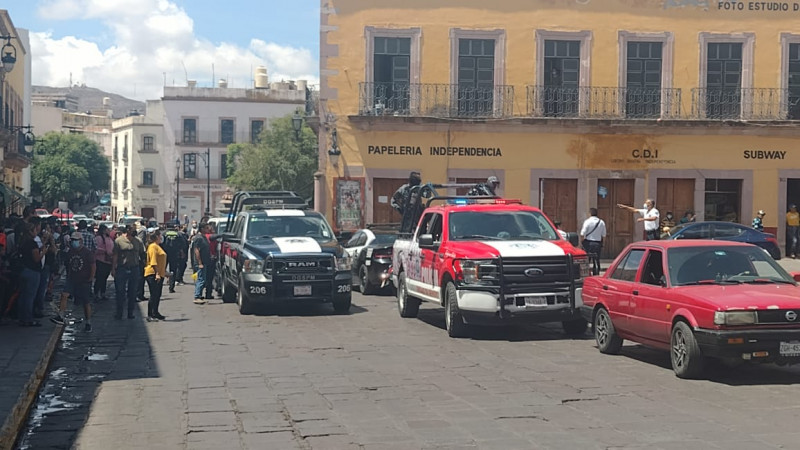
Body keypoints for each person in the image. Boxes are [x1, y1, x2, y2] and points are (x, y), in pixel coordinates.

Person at [51, 232, 95, 332]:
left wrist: (91, 278)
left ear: (81, 241)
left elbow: (93, 266)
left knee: (85, 302)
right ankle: (61, 315)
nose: (74, 242)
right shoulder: (71, 251)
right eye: (73, 240)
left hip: (84, 280)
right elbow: (68, 264)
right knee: (64, 295)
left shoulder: (87, 252)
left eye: (76, 240)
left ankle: (88, 322)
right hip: (72, 279)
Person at [112, 225, 146, 320]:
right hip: (122, 268)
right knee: (120, 292)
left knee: (133, 292)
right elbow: (115, 255)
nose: (134, 231)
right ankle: (119, 313)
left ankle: (130, 313)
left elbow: (142, 254)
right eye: (132, 230)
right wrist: (113, 268)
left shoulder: (138, 241)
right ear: (127, 230)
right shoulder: (119, 241)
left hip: (134, 268)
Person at [18, 222, 45, 326]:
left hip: (23, 270)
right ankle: (28, 319)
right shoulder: (32, 243)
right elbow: (37, 259)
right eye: (34, 230)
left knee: (23, 295)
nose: (36, 232)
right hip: (32, 271)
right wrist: (43, 252)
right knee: (30, 296)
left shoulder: (22, 242)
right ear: (30, 231)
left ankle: (22, 317)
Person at [144, 229, 168, 321]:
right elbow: (153, 261)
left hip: (159, 273)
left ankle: (156, 312)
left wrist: (164, 273)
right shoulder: (153, 247)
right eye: (160, 236)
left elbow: (160, 261)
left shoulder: (158, 246)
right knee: (153, 294)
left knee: (157, 294)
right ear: (157, 237)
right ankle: (150, 314)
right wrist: (157, 273)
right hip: (153, 273)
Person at [580, 208, 606, 275]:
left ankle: (587, 273)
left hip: (588, 243)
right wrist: (602, 244)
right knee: (597, 260)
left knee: (587, 260)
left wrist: (581, 242)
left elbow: (582, 234)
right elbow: (604, 235)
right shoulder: (601, 222)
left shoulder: (587, 221)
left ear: (590, 213)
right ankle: (596, 272)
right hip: (597, 243)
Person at [191, 223, 212, 304]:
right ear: (202, 228)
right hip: (200, 263)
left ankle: (199, 295)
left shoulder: (203, 237)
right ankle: (197, 296)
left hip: (205, 261)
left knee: (203, 279)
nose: (208, 229)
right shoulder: (199, 238)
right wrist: (200, 263)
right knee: (201, 279)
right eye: (207, 228)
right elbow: (196, 251)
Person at [94, 224, 114, 302]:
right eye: (107, 229)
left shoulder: (108, 238)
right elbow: (96, 248)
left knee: (104, 278)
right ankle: (96, 293)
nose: (108, 231)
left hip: (108, 261)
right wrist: (105, 251)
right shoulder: (99, 238)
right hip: (101, 260)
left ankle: (102, 293)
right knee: (99, 278)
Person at [163, 223, 184, 293]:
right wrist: (182, 252)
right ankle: (171, 287)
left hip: (164, 254)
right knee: (173, 270)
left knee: (162, 269)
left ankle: (159, 283)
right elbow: (182, 244)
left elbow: (160, 243)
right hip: (175, 254)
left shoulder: (164, 233)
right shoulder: (178, 234)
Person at [204, 223, 219, 300]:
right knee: (209, 277)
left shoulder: (209, 236)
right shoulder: (208, 236)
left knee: (210, 277)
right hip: (210, 259)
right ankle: (208, 294)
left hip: (212, 258)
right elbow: (213, 237)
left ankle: (208, 292)